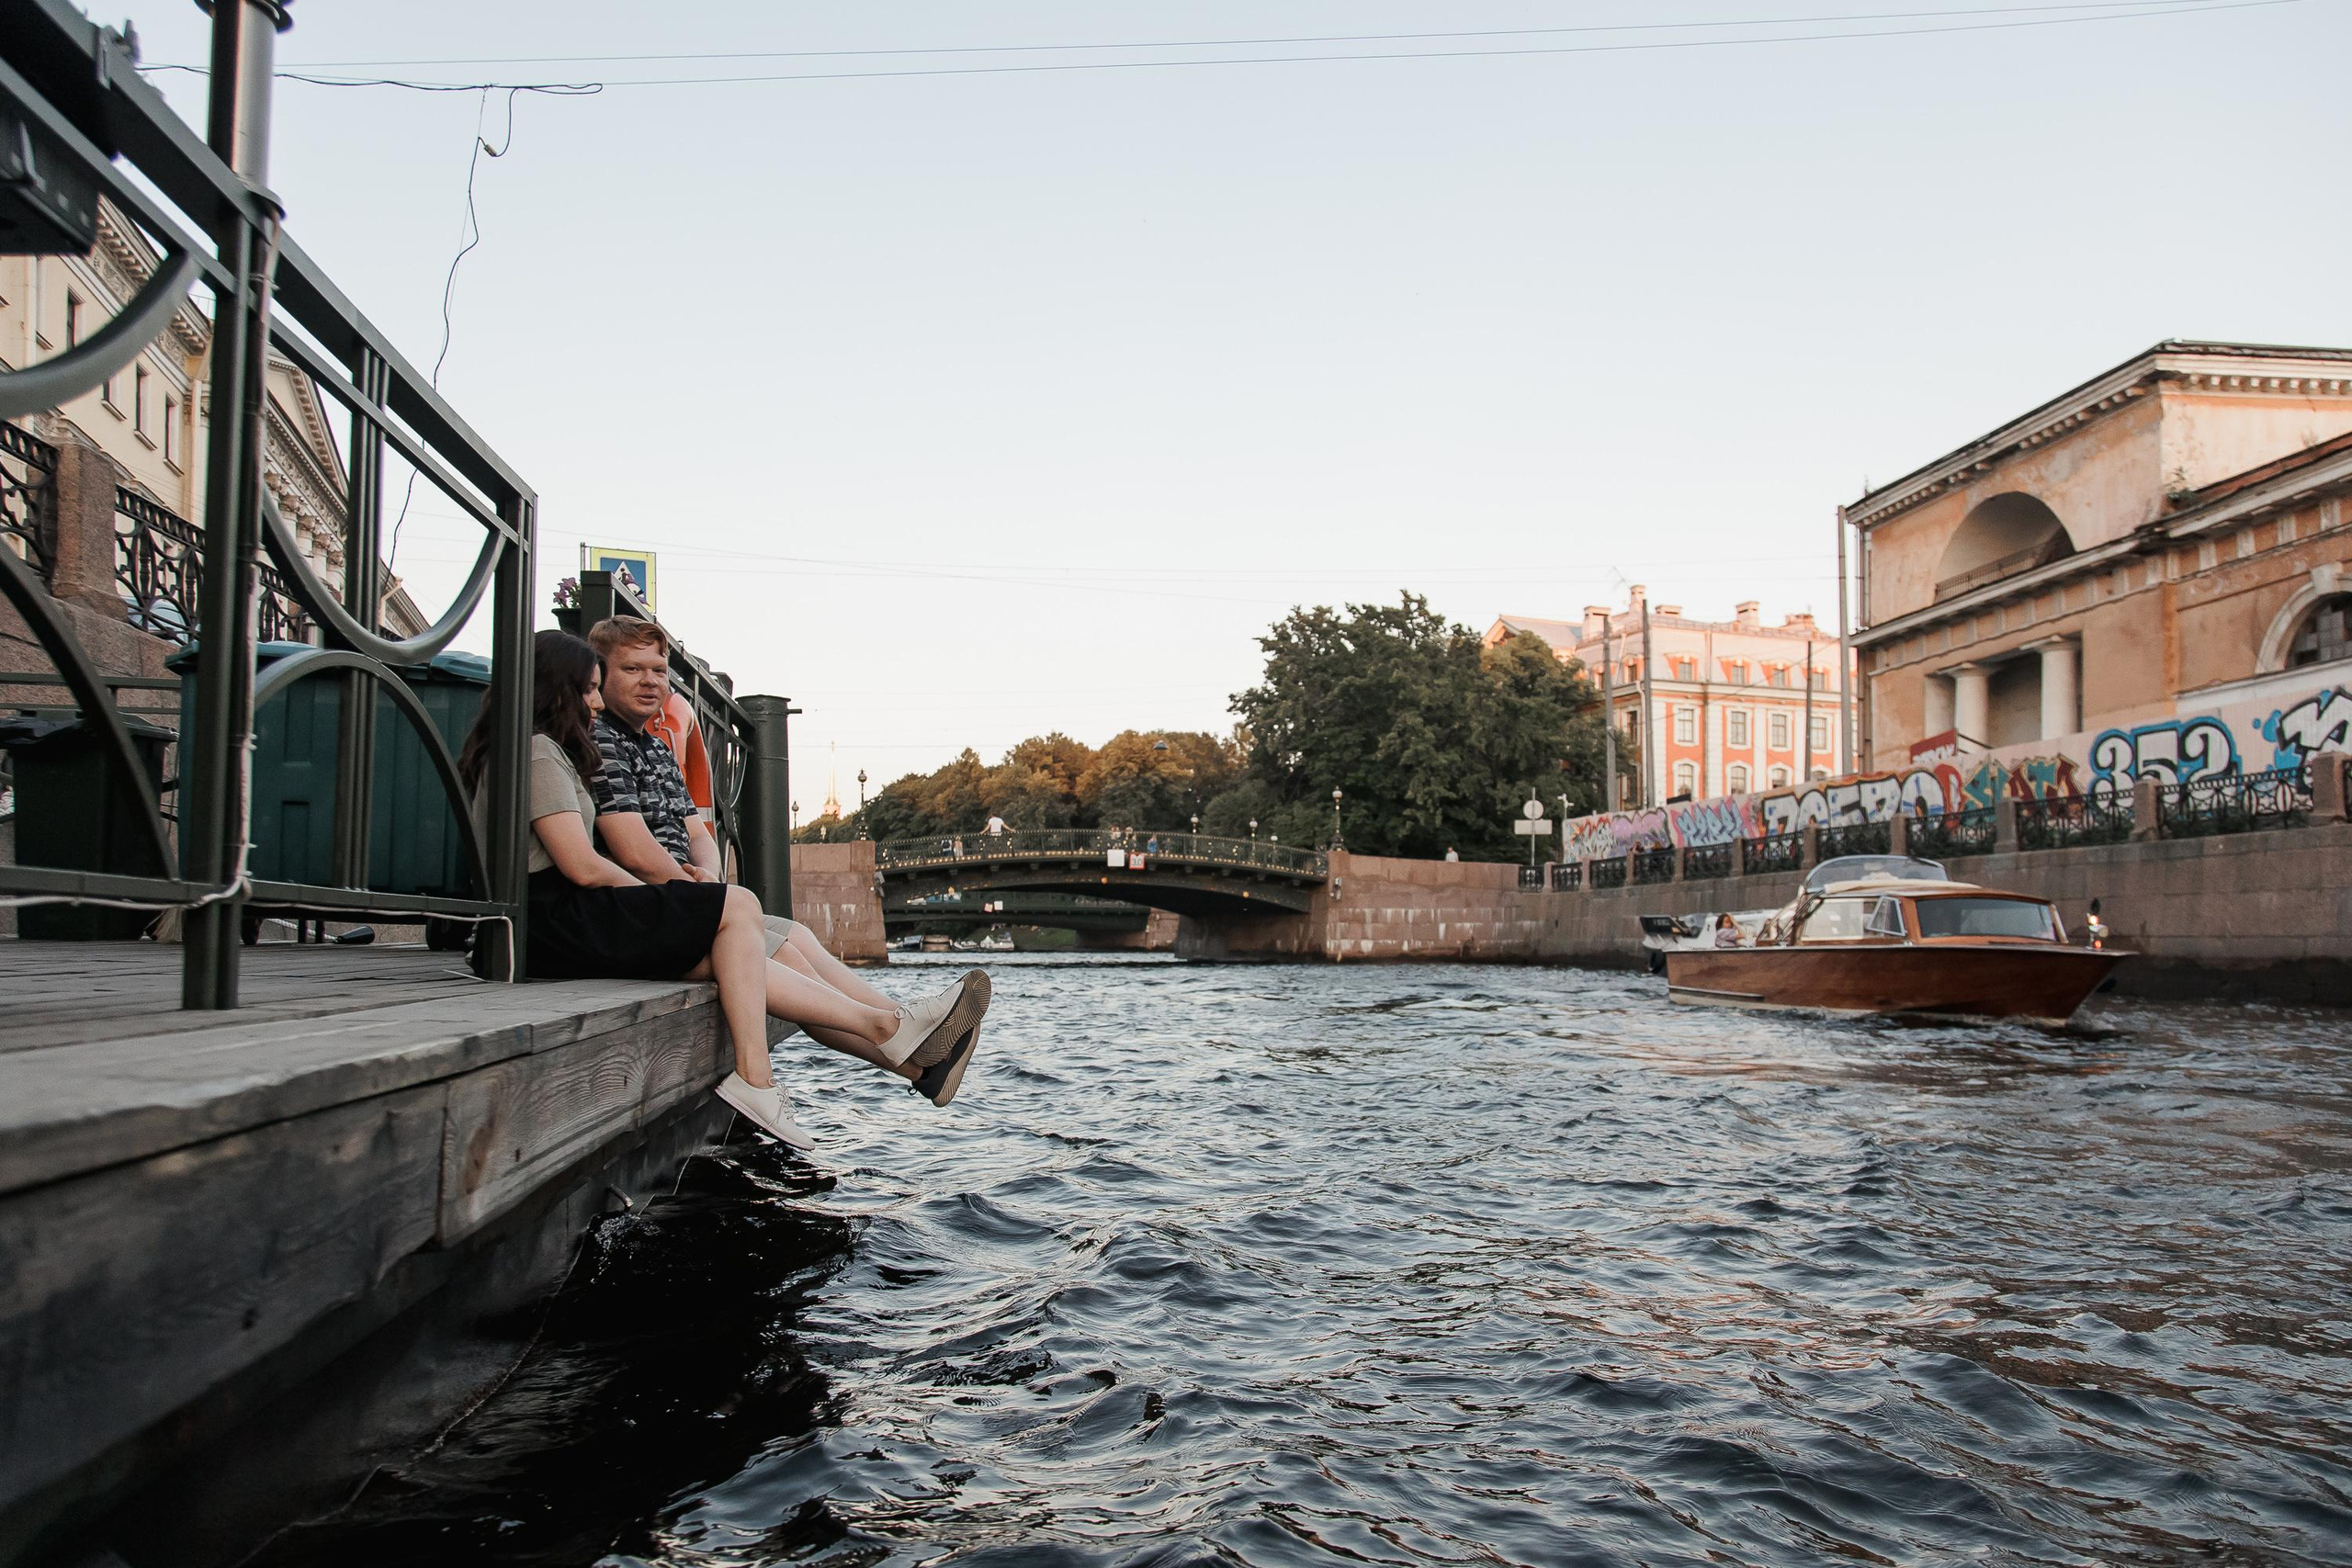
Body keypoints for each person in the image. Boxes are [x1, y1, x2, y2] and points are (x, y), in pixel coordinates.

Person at [462, 630, 989, 1152]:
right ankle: (885, 1035)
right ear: (557, 691)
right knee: (739, 910)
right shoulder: (539, 753)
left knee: (752, 931)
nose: (596, 702)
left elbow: (677, 837)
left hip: (563, 919)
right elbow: (584, 867)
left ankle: (895, 1042)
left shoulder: (545, 750)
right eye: (591, 688)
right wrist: (668, 903)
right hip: (559, 921)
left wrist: (687, 897)